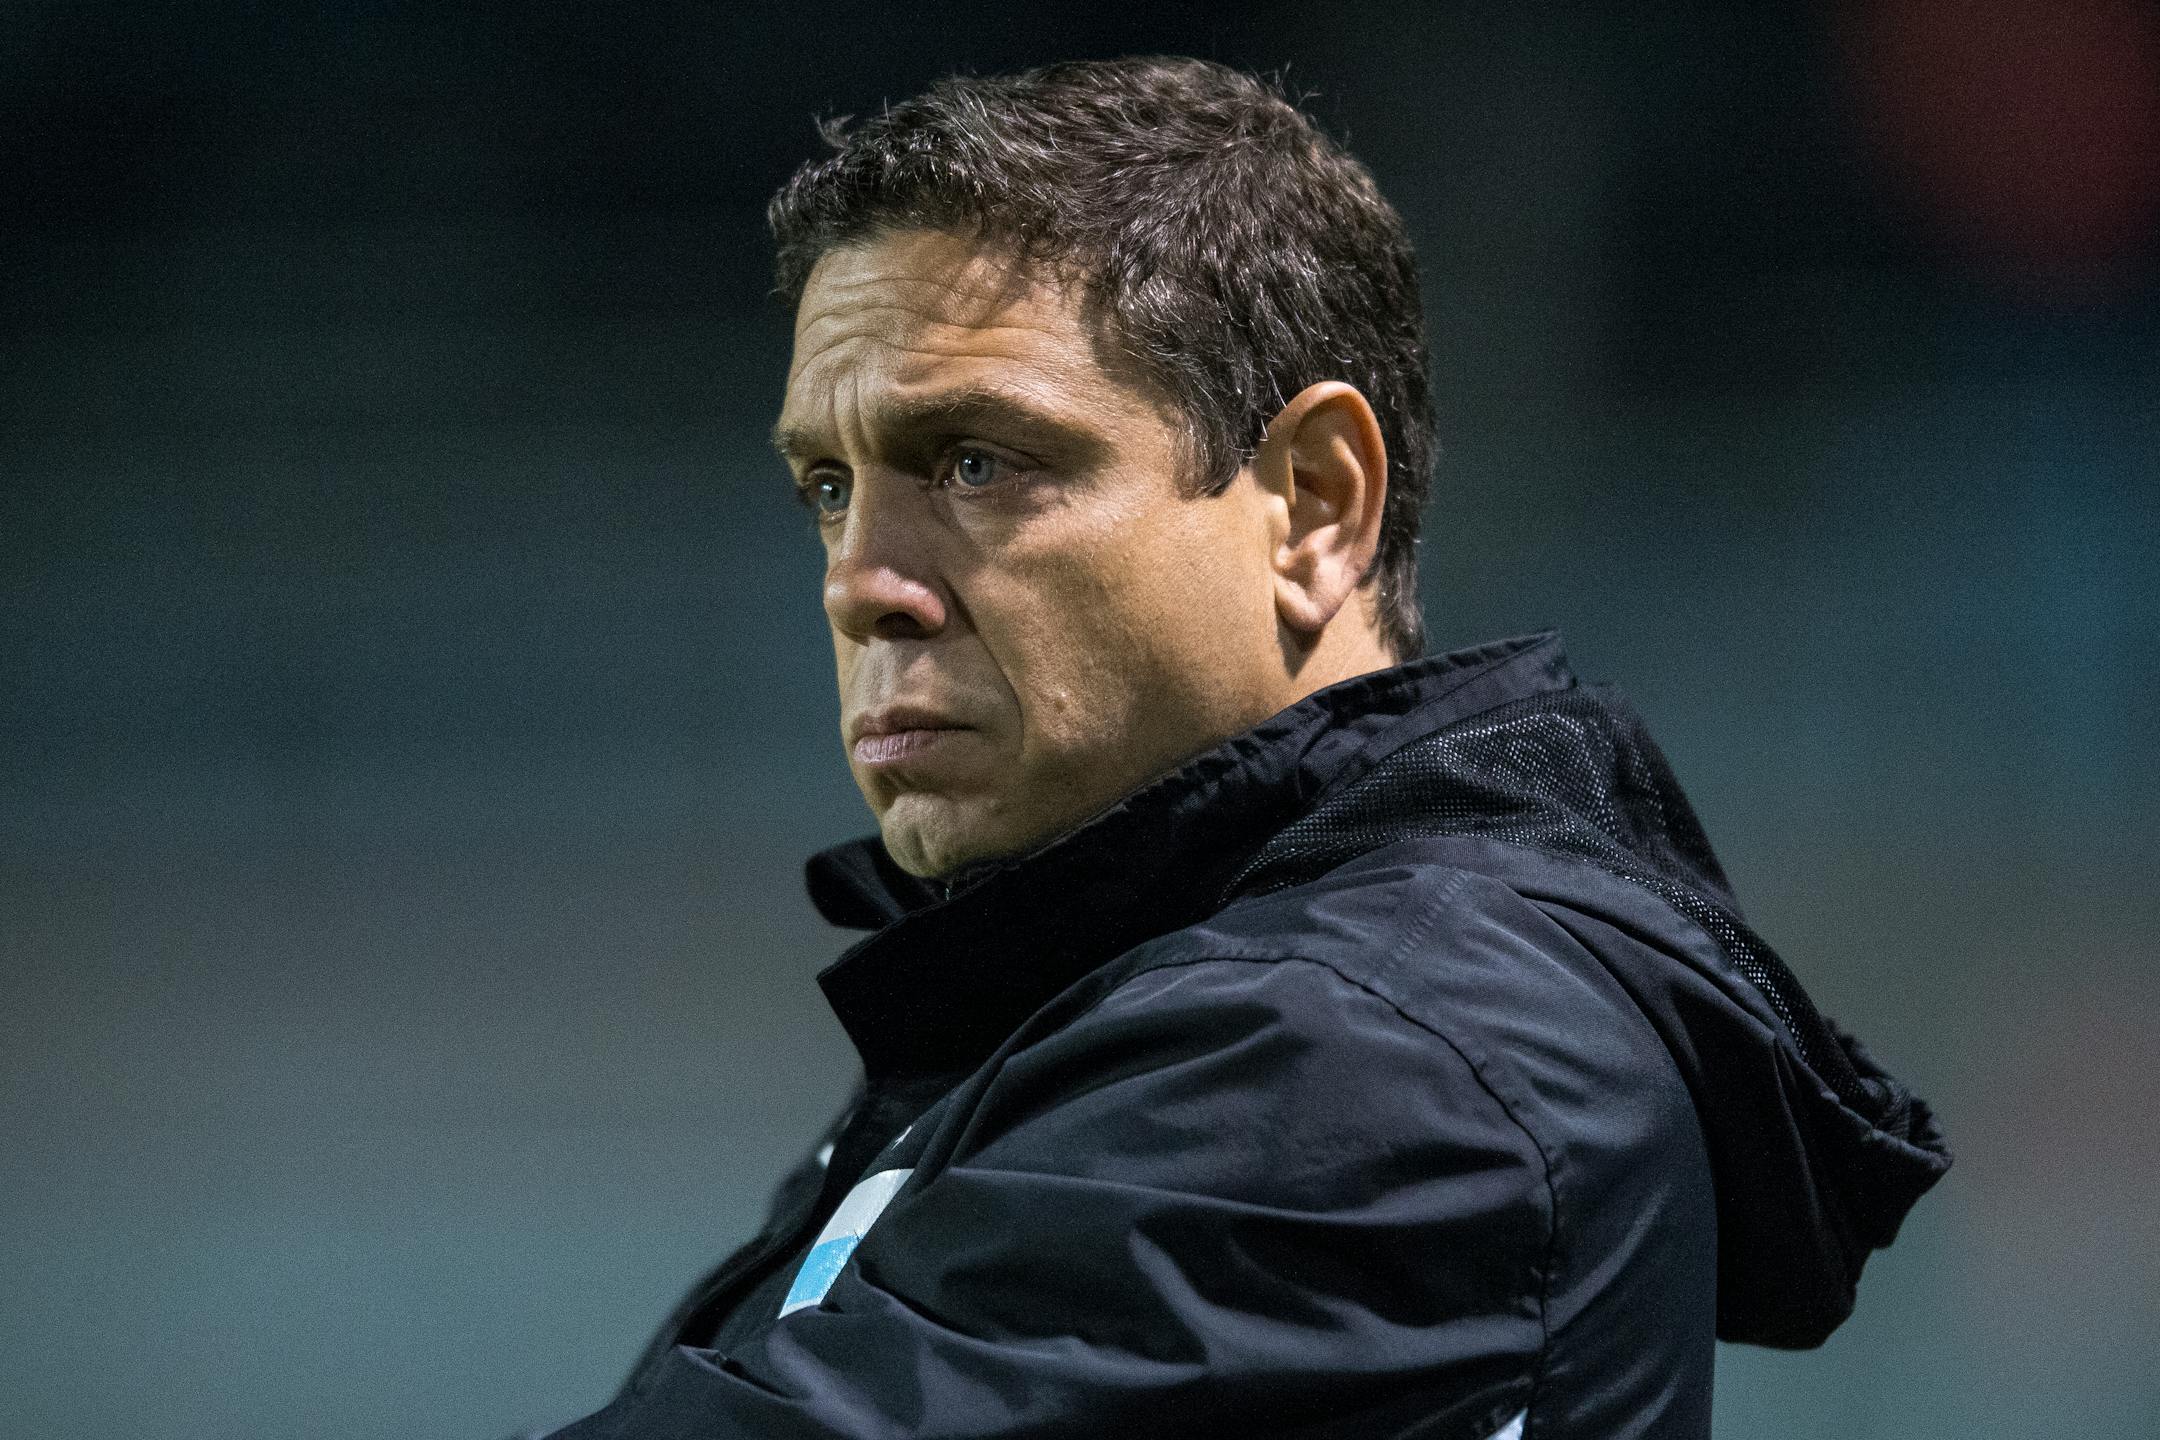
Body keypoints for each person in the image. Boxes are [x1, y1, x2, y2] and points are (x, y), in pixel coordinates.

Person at [545, 56, 1950, 1439]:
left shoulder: (1373, 1055)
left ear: (1315, 504)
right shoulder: (1113, 1004)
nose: (862, 579)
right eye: (829, 489)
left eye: (977, 462)